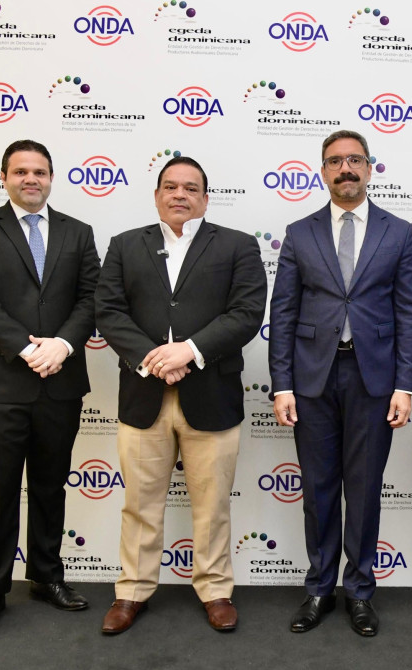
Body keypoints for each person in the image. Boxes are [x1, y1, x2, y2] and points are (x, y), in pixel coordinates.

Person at [95, 156, 266, 634]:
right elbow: (108, 311)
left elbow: (248, 312)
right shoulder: (126, 245)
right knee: (140, 502)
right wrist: (154, 357)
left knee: (212, 504)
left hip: (210, 395)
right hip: (143, 394)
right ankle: (131, 592)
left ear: (206, 199)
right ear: (156, 195)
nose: (180, 195)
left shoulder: (236, 245)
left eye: (191, 188)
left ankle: (215, 590)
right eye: (170, 186)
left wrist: (188, 352)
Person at [268, 130, 412, 637]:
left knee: (364, 489)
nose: (345, 169)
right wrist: (281, 385)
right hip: (312, 378)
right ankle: (319, 588)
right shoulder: (299, 232)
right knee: (317, 488)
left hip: (373, 378)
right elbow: (283, 312)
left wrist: (406, 385)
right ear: (323, 171)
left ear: (370, 167)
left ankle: (359, 591)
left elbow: (408, 313)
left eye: (354, 160)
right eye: (335, 161)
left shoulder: (397, 232)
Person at [0, 139, 100, 635]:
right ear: (5, 178)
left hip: (59, 383)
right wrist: (26, 346)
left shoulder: (78, 233)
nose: (30, 179)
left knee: (50, 486)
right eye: (21, 172)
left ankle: (46, 576)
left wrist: (62, 344)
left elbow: (91, 298)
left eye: (40, 171)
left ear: (52, 177)